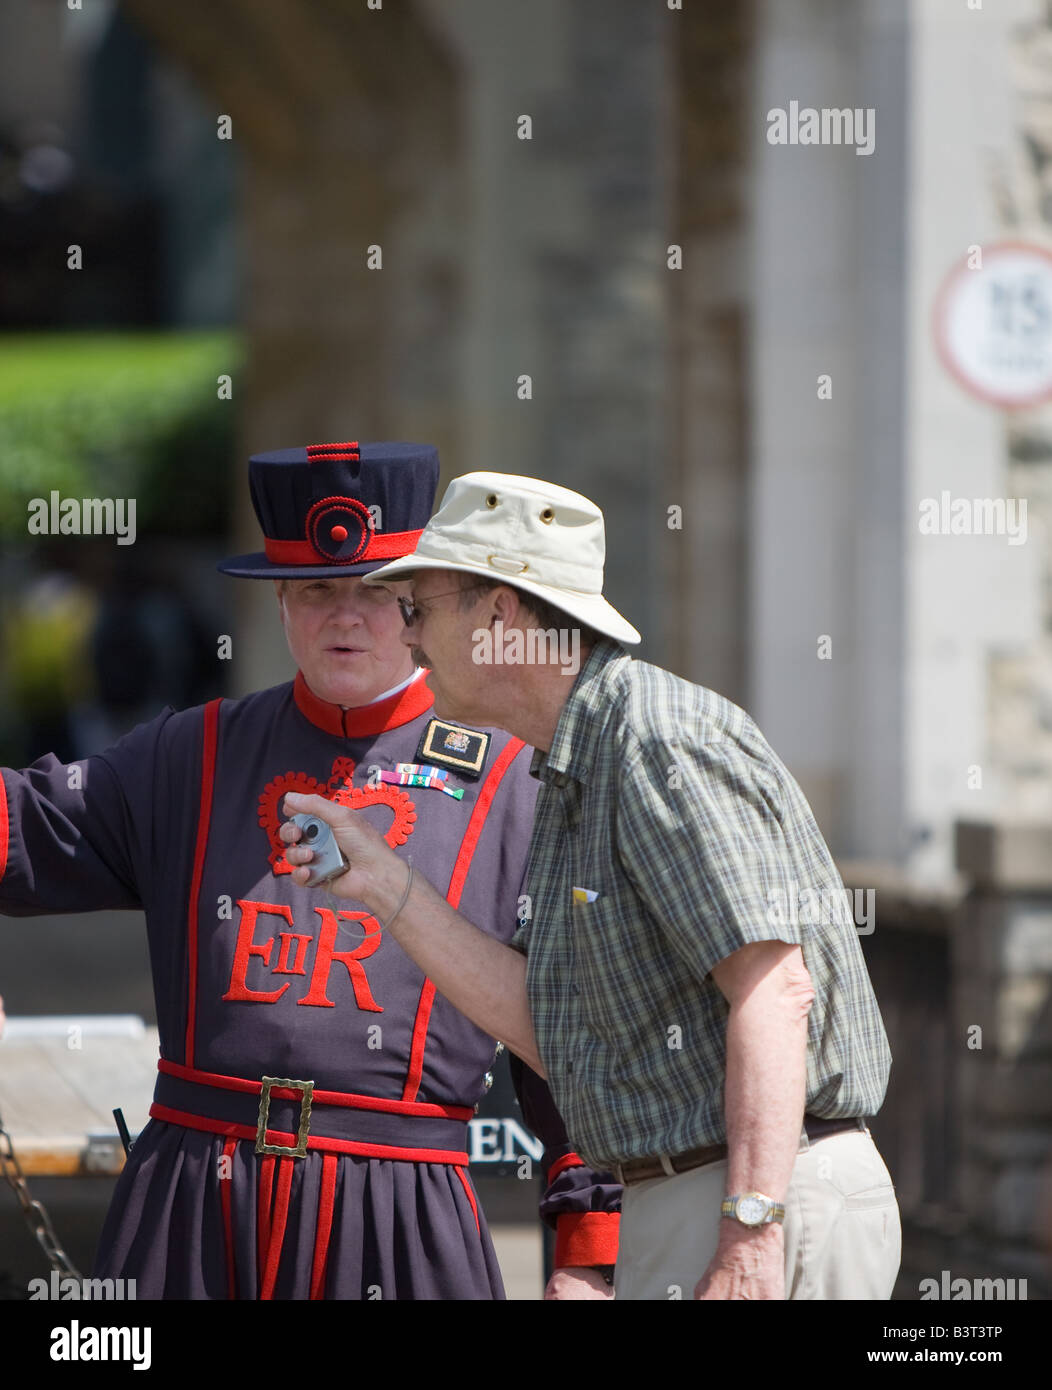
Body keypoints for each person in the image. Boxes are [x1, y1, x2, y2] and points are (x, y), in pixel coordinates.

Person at [0, 446, 620, 1300]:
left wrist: (587, 1258)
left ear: (419, 605)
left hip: (404, 1217)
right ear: (282, 603)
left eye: (375, 591)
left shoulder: (522, 786)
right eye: (317, 591)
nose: (346, 618)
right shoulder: (191, 754)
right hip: (190, 1212)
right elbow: (21, 831)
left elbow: (580, 1049)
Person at [281, 470, 902, 1301]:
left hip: (757, 1199)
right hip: (707, 1197)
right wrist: (388, 885)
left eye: (418, 608)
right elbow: (560, 1034)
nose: (410, 637)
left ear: (500, 615)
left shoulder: (654, 736)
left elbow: (774, 989)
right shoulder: (580, 757)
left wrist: (751, 1229)